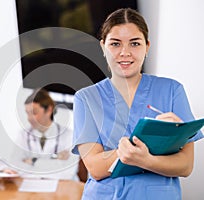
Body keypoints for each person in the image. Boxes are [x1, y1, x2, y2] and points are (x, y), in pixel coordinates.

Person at [72, 8, 203, 199]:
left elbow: (185, 166)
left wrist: (146, 159)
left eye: (134, 43)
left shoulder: (172, 91)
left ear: (147, 46)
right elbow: (96, 167)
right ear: (102, 47)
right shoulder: (86, 98)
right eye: (115, 44)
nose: (125, 52)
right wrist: (145, 153)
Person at [11, 88, 79, 180]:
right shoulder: (23, 135)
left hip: (63, 189)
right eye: (27, 113)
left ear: (49, 110)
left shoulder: (68, 136)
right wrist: (55, 163)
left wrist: (33, 161)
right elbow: (16, 168)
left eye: (34, 113)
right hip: (33, 189)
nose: (29, 118)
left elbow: (67, 173)